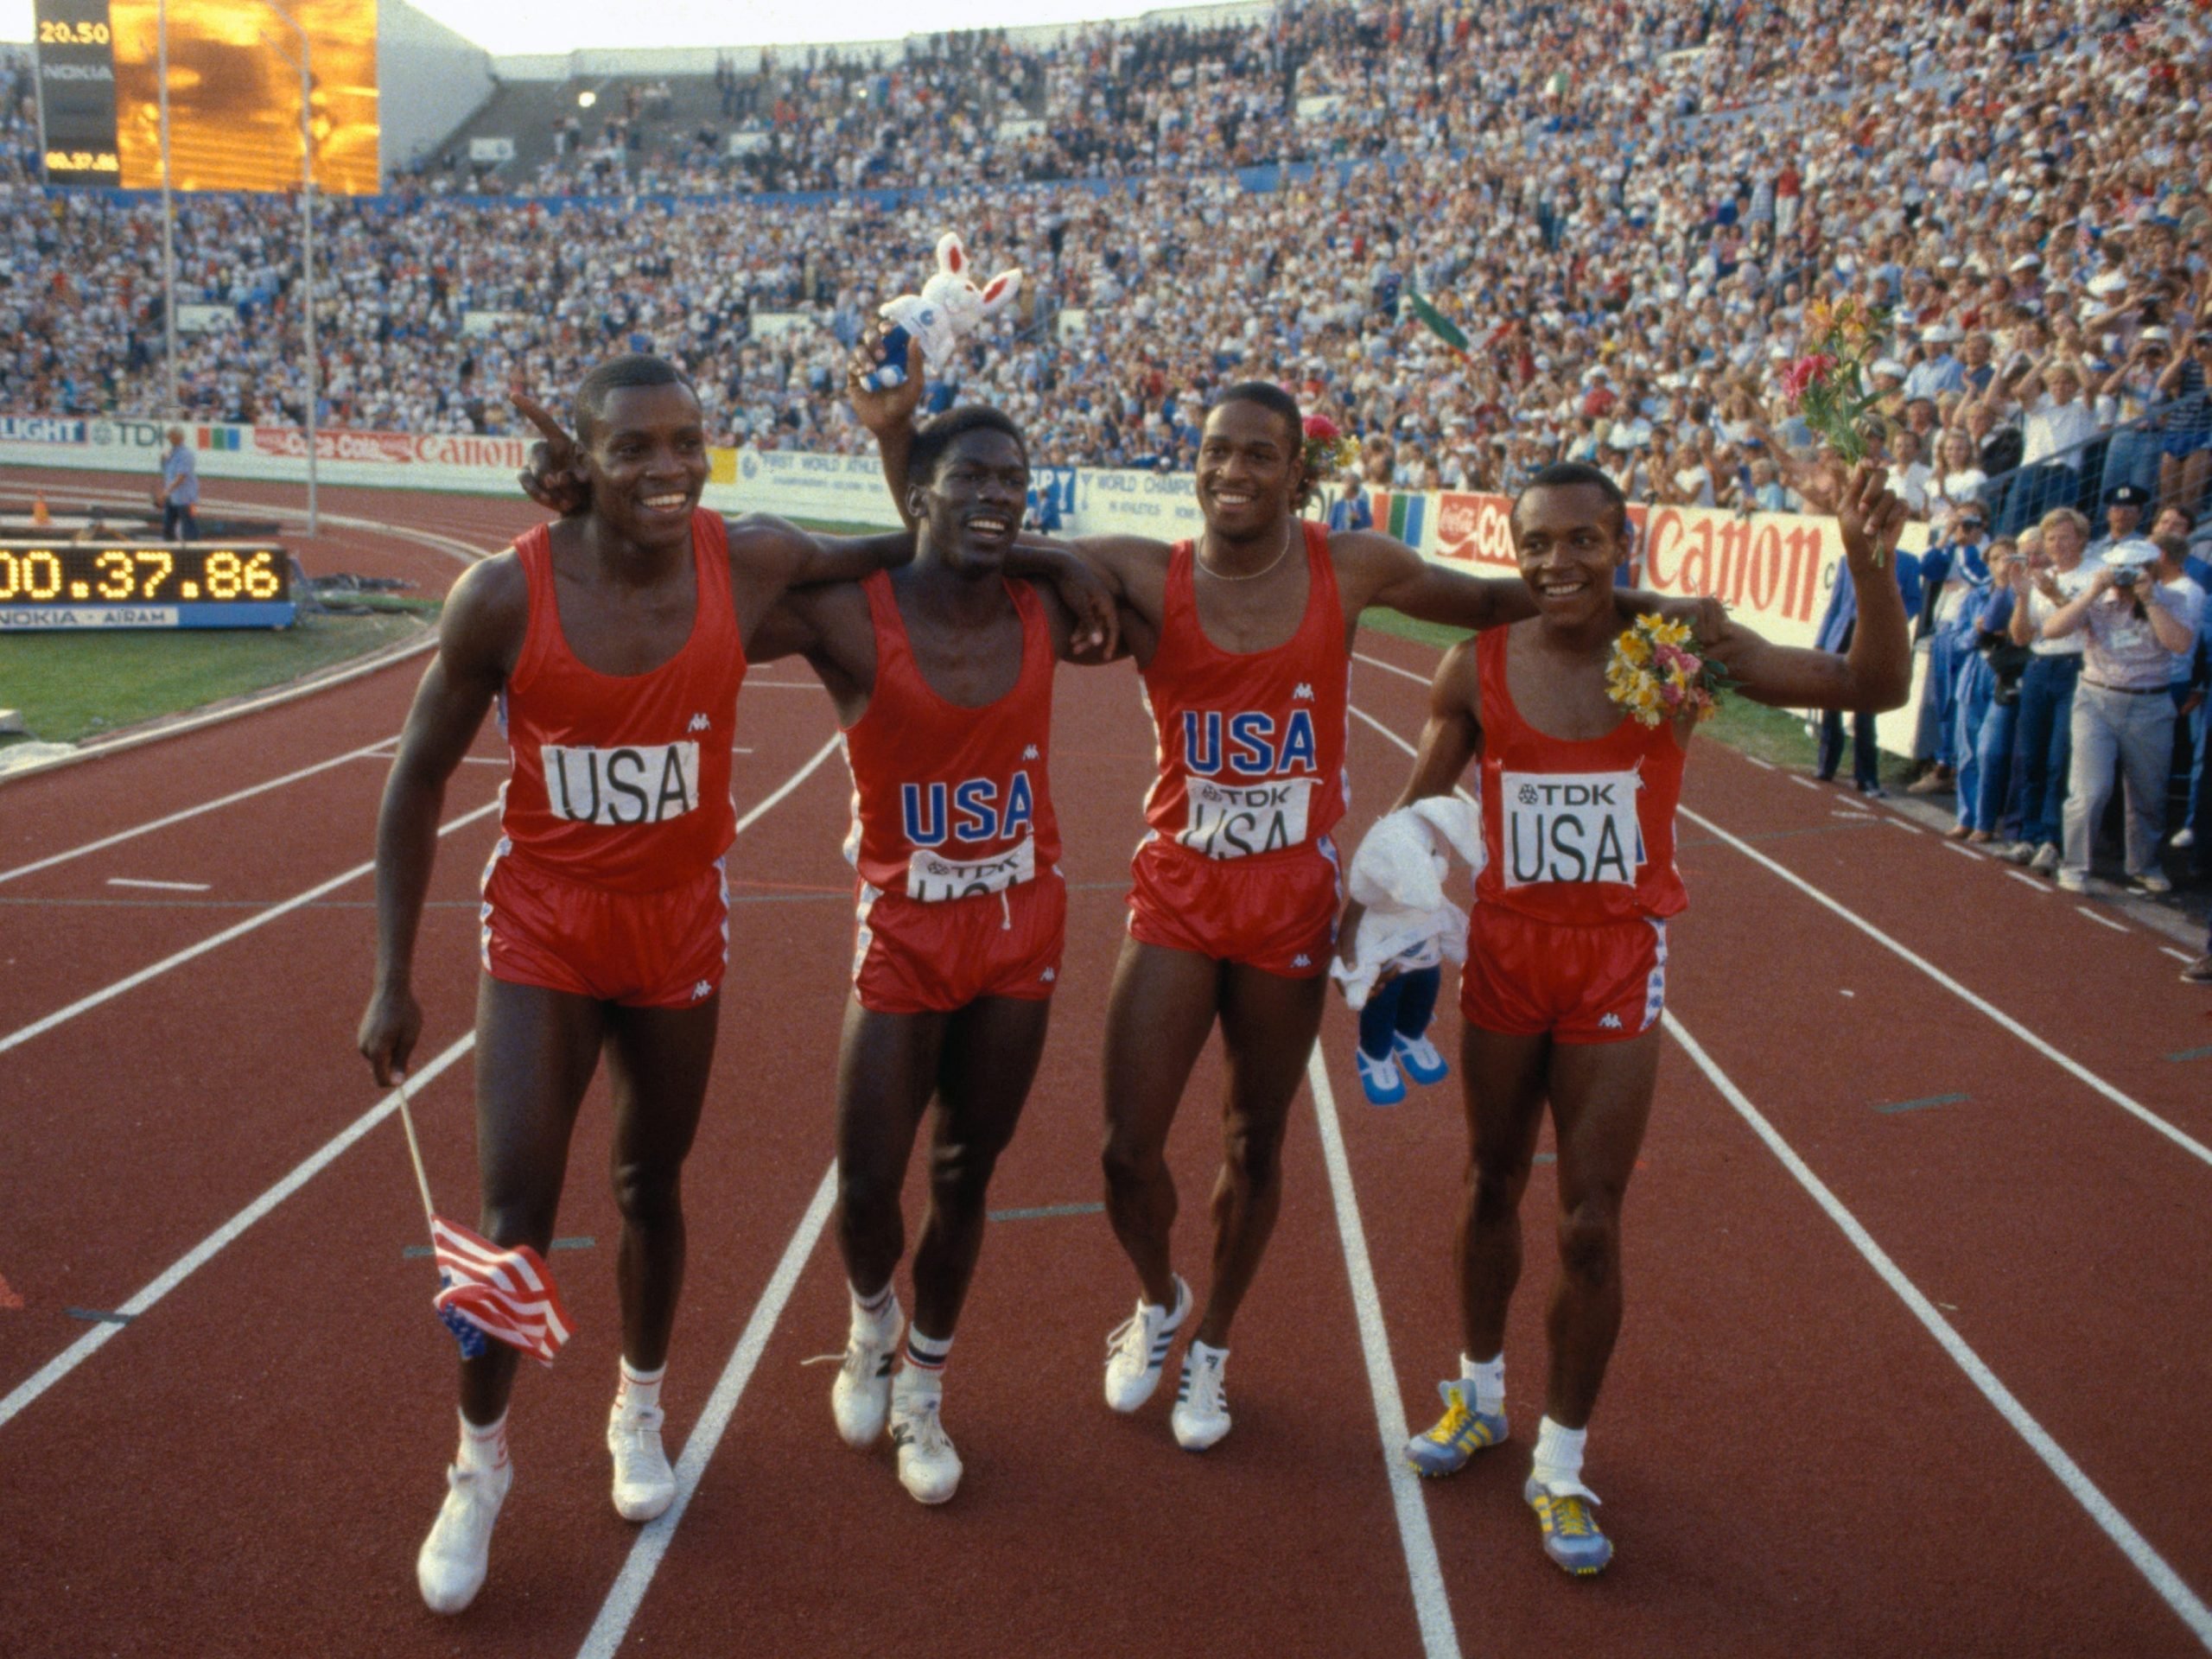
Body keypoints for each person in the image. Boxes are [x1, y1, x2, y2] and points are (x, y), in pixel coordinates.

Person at [858, 355, 1700, 1452]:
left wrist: (1658, 611)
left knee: (1256, 1142)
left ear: (1297, 471)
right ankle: (1159, 1299)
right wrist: (898, 448)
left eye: (1260, 453)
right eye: (1216, 452)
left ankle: (1213, 1350)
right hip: (1180, 892)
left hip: (1291, 898)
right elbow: (959, 548)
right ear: (1192, 466)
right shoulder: (1140, 574)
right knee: (1127, 1149)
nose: (1235, 471)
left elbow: (1505, 600)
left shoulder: (1347, 567)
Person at [354, 355, 1068, 1615]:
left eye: (686, 442)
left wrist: (1049, 563)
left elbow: (916, 545)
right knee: (513, 1208)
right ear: (582, 459)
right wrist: (391, 978)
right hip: (545, 932)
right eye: (633, 449)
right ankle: (478, 1465)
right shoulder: (500, 599)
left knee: (649, 1184)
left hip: (680, 927)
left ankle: (639, 1408)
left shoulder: (748, 562)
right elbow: (415, 780)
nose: (668, 467)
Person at [1383, 461, 1909, 1577]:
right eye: (1536, 543)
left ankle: (1562, 1466)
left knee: (1588, 1221)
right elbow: (1419, 811)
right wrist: (1382, 923)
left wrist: (1871, 565)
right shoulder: (1475, 664)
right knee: (1488, 1184)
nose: (1556, 563)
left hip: (1619, 960)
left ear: (1624, 542)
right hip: (1510, 960)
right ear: (1513, 547)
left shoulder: (1681, 648)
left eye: (1582, 541)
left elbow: (1869, 685)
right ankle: (1477, 1394)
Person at [746, 404, 1110, 1504]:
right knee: (867, 1186)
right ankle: (870, 1323)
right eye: (974, 480)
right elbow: (724, 581)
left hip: (1019, 926)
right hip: (904, 931)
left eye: (1017, 482)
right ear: (917, 488)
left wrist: (1038, 549)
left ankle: (924, 1392)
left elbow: (1169, 598)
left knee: (965, 1173)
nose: (1000, 494)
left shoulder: (1046, 601)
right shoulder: (850, 618)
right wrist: (901, 539)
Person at [2041, 535, 2198, 893]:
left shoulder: (2174, 599)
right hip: (2097, 700)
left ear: (2152, 570)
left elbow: (2181, 644)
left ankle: (2144, 864)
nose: (2126, 577)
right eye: (2120, 569)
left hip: (2150, 704)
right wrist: (2092, 591)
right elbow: (2053, 630)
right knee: (2091, 790)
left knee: (2148, 794)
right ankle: (2076, 865)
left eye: (2135, 569)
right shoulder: (2097, 599)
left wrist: (2149, 600)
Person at [2008, 508, 2094, 873]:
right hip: (2039, 666)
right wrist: (2025, 597)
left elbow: (2087, 624)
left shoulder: (2091, 575)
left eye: (2064, 537)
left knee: (2060, 760)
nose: (2057, 545)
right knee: (2031, 756)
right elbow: (2020, 636)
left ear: (2080, 539)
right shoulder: (2040, 576)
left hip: (2075, 667)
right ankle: (2027, 835)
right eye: (2051, 538)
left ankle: (2050, 839)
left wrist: (2055, 593)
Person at [155, 428, 198, 543]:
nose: (169, 439)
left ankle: (193, 552)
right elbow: (167, 474)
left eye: (171, 436)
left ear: (178, 438)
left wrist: (165, 493)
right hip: (173, 497)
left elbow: (181, 477)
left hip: (185, 497)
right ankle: (170, 548)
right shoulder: (171, 453)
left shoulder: (185, 454)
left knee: (189, 526)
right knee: (168, 527)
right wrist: (163, 460)